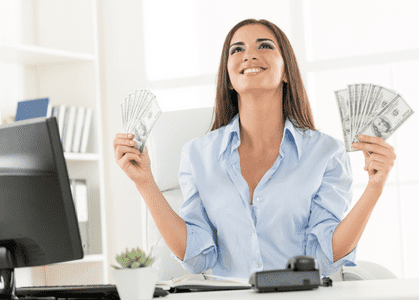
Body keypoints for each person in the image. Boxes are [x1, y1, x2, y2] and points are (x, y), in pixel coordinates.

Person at [113, 19, 396, 278]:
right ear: (229, 77)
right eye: (237, 49)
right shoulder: (197, 154)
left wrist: (374, 187)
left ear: (286, 71)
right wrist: (145, 183)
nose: (249, 54)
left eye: (265, 46)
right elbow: (197, 256)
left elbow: (326, 255)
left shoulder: (325, 153)